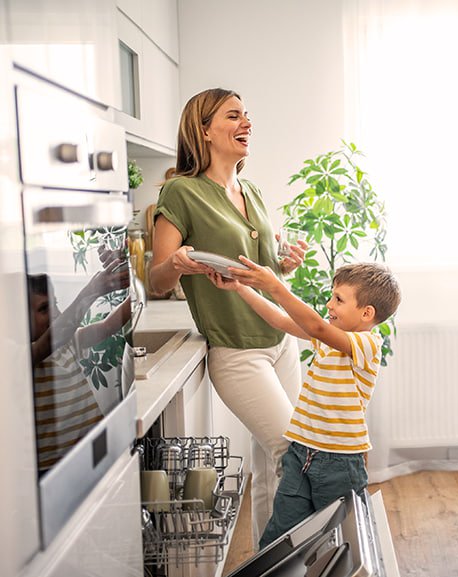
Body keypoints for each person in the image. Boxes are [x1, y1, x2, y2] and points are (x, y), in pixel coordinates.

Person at [148, 88, 307, 545]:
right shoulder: (181, 191)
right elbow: (156, 280)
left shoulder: (251, 189)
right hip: (237, 352)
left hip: (280, 342)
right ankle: (292, 558)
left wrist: (285, 262)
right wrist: (176, 264)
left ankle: (270, 560)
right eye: (233, 116)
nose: (247, 124)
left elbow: (263, 267)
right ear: (203, 130)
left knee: (270, 460)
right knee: (294, 454)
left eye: (247, 116)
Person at [209, 259, 401, 549]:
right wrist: (240, 288)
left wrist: (275, 285)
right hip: (301, 454)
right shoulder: (327, 339)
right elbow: (281, 321)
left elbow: (316, 327)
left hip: (339, 462)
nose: (329, 304)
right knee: (280, 539)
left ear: (366, 313)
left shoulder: (367, 344)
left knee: (344, 541)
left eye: (338, 299)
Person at [28, 253, 130, 472]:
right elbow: (50, 341)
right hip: (52, 467)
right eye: (44, 308)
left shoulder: (67, 342)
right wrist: (91, 292)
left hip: (91, 450)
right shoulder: (23, 356)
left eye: (55, 303)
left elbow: (106, 327)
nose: (55, 312)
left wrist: (141, 291)